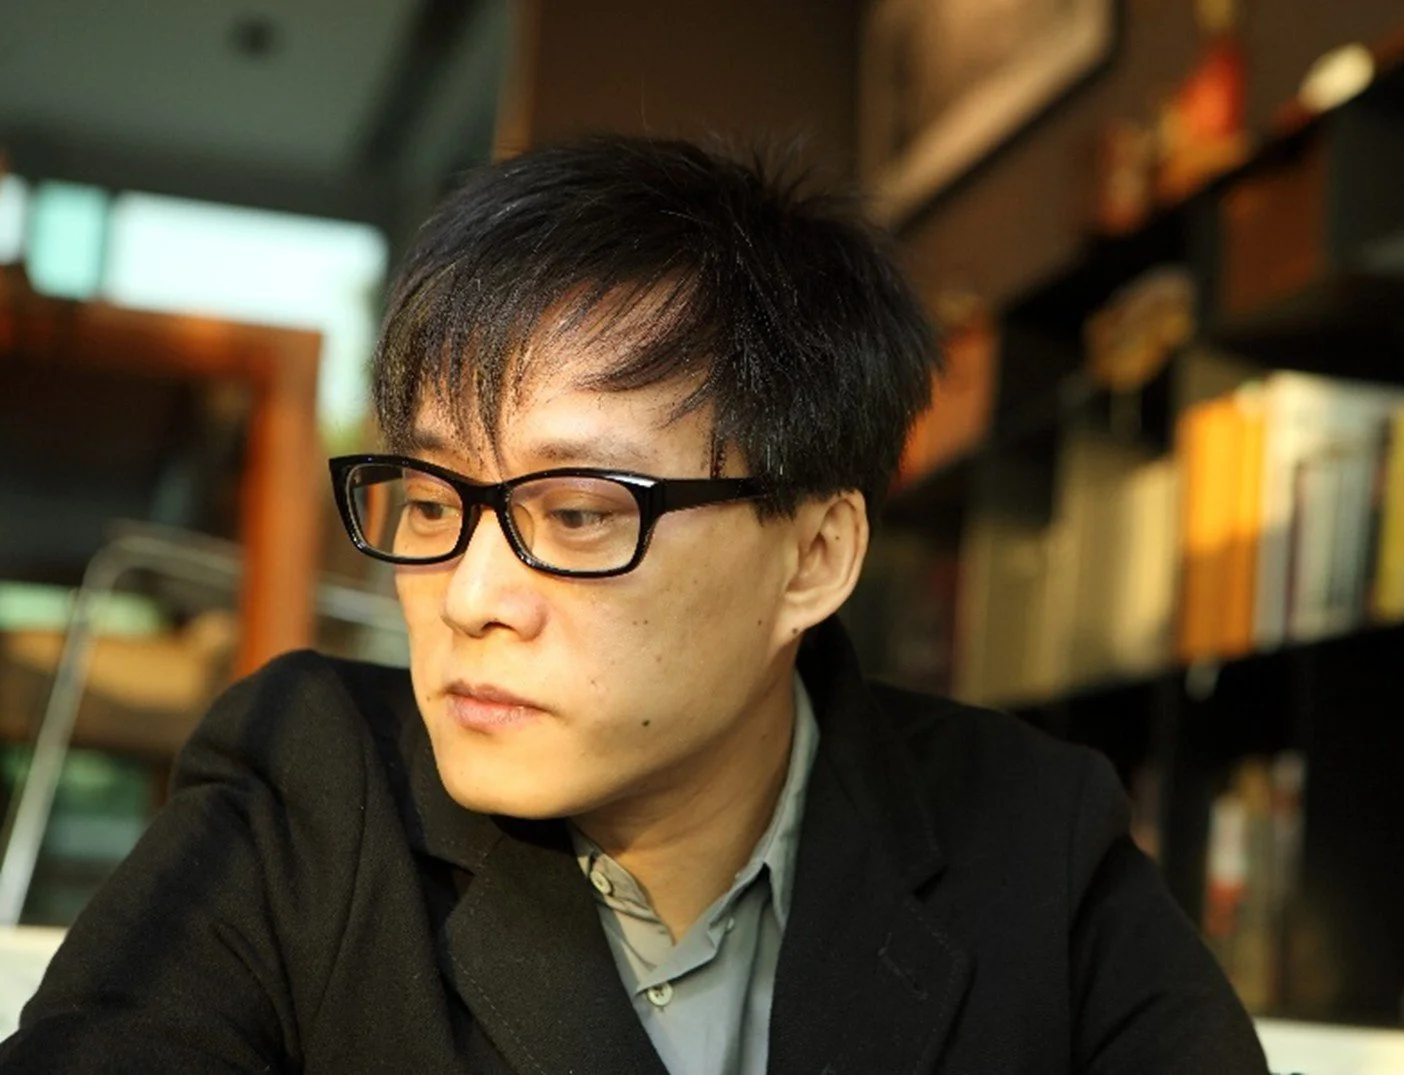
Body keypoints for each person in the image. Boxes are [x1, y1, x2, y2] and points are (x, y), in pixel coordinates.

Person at [0, 136, 1267, 1074]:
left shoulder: (1032, 839)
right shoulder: (312, 791)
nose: (470, 596)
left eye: (580, 512)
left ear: (814, 557)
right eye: (434, 501)